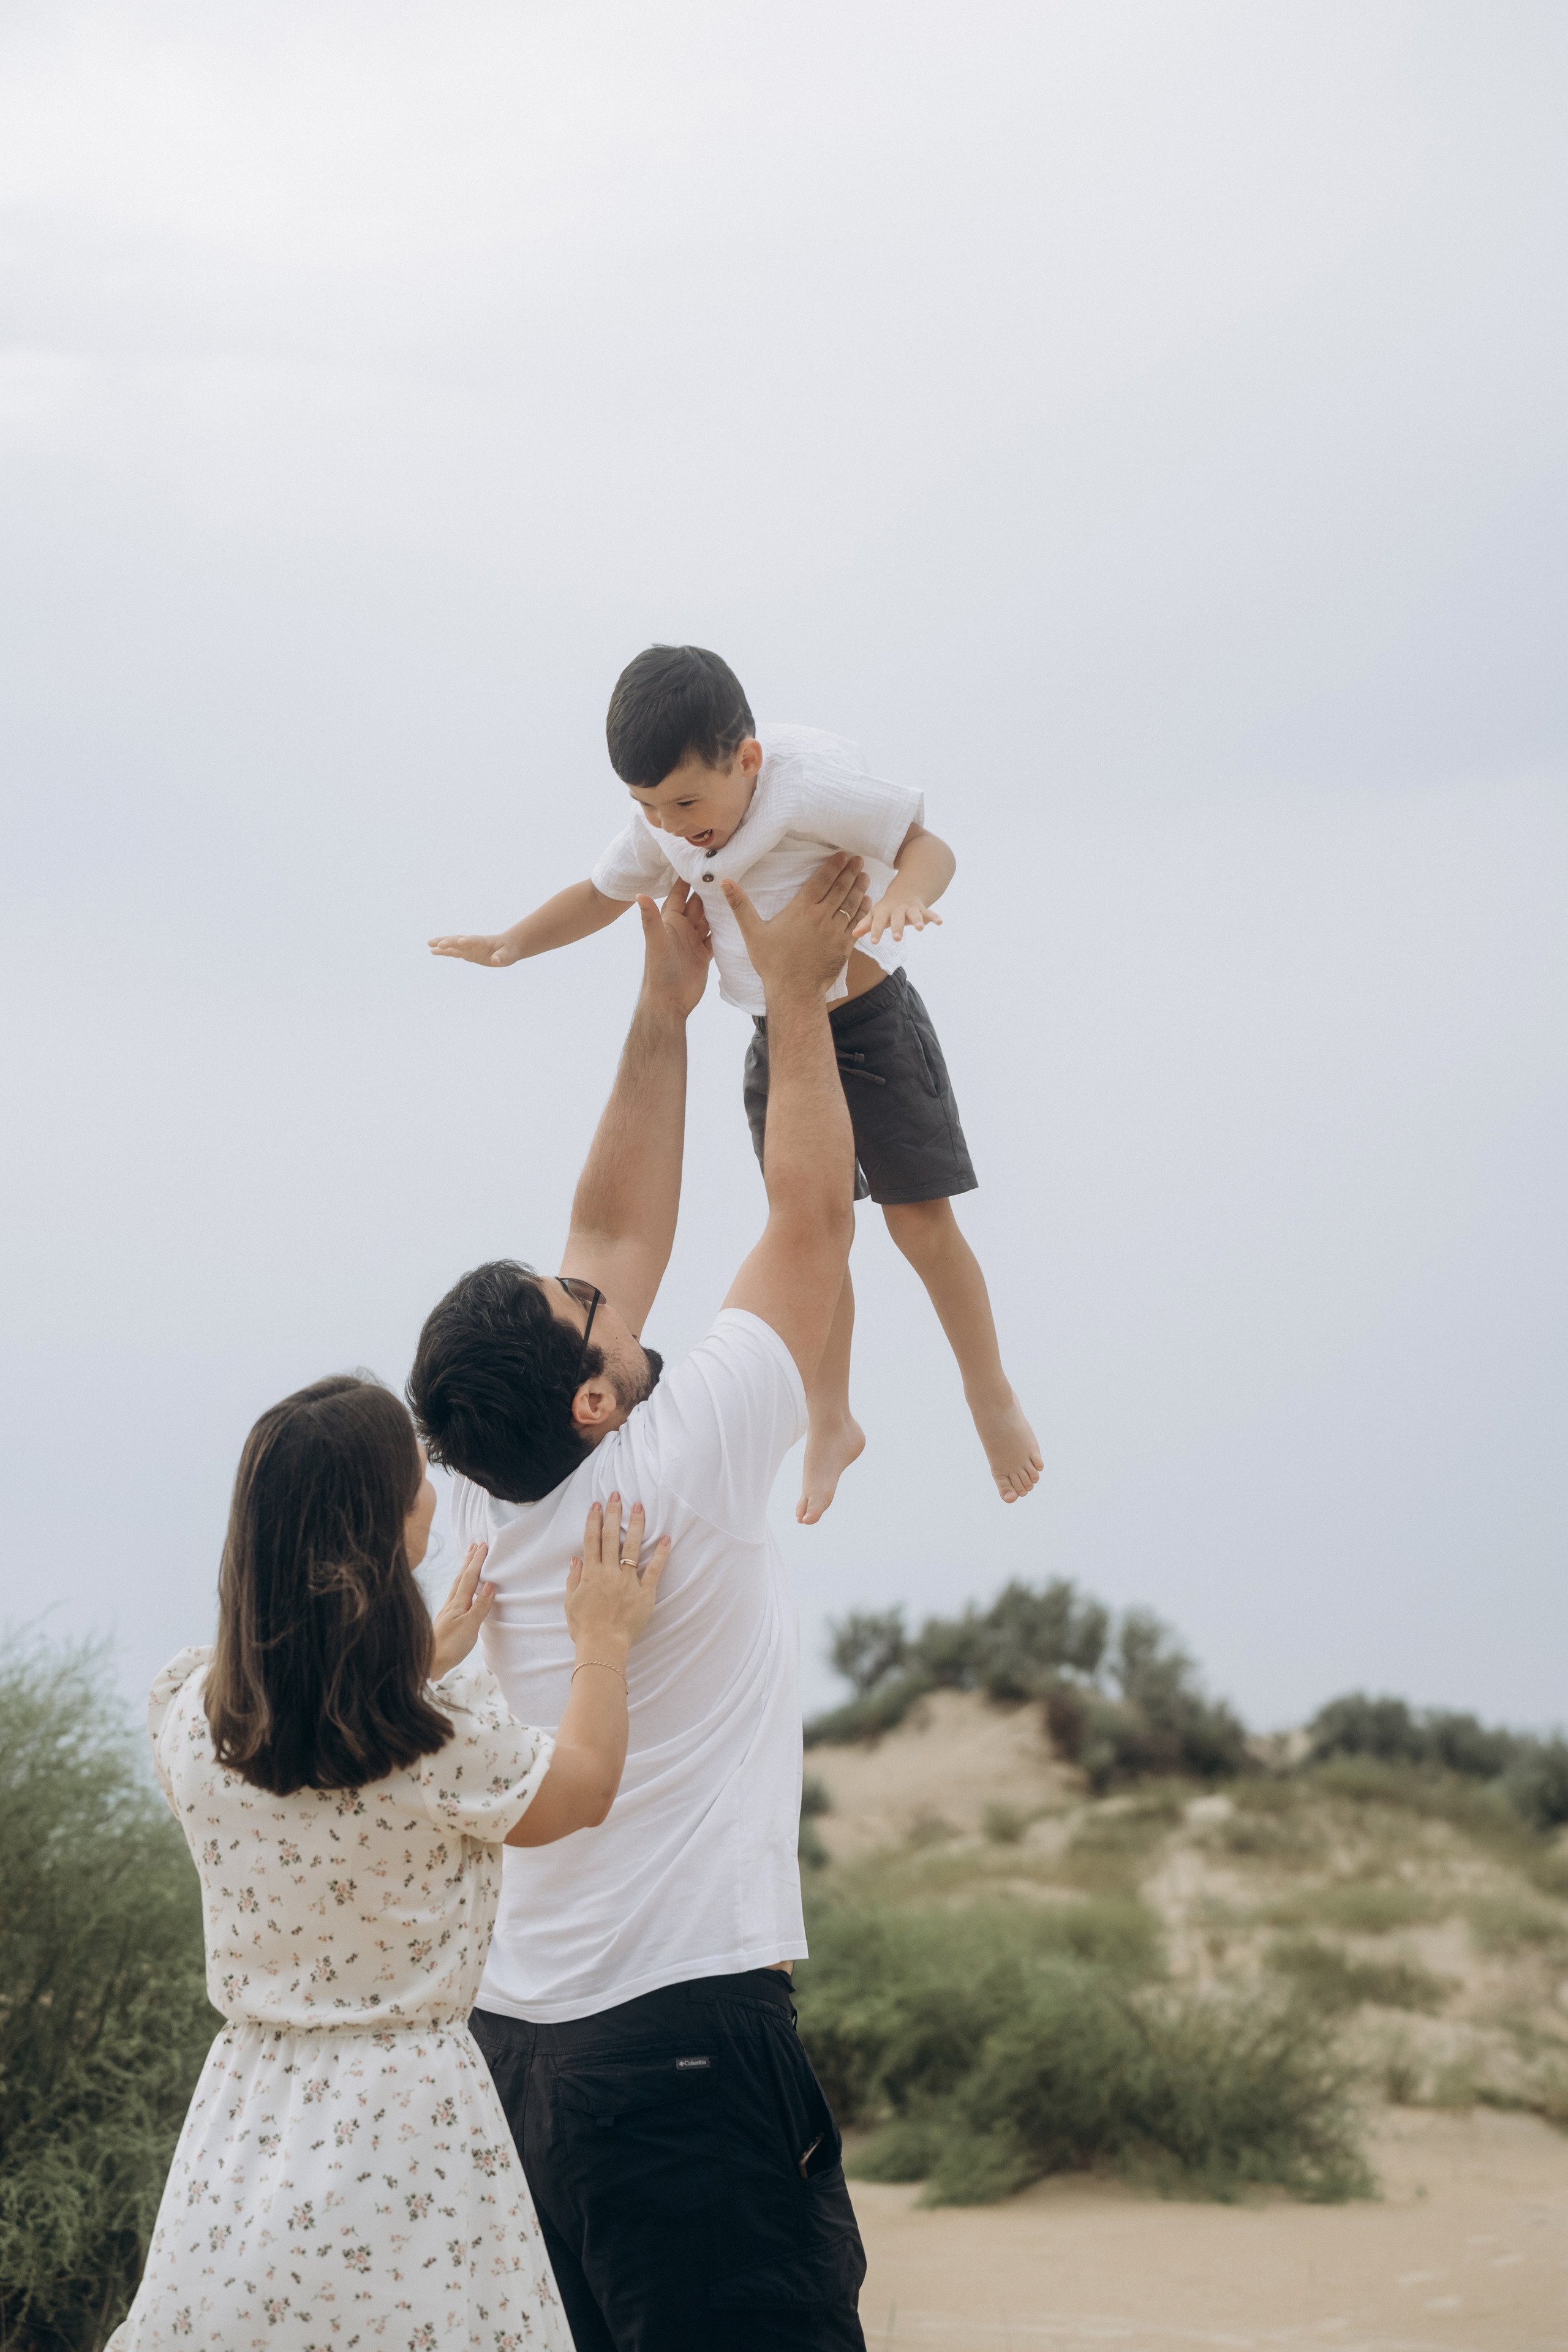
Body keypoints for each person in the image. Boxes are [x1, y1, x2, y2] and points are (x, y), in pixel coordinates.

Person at [407, 859, 875, 2350]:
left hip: (518, 2059)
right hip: (680, 2041)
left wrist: (661, 1006)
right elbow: (809, 1224)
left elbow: (605, 1233)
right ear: (599, 1397)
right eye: (587, 1318)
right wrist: (791, 993)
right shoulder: (681, 1457)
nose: (601, 1288)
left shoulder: (485, 1473)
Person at [109, 1375, 665, 2352]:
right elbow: (581, 1790)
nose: (432, 1491)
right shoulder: (432, 1743)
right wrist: (603, 1642)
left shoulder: (191, 1715)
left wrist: (411, 1669)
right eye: (417, 1476)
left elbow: (311, 1758)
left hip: (245, 2122)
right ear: (377, 1523)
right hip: (408, 2128)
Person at [429, 639, 1041, 1521]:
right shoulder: (663, 826)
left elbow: (926, 843)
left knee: (919, 1225)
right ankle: (830, 1417)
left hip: (868, 1023)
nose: (674, 827)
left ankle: (989, 1397)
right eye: (649, 808)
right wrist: (511, 943)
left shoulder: (803, 789)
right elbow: (601, 894)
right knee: (812, 1244)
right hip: (777, 1043)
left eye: (687, 802)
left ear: (746, 762)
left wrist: (905, 893)